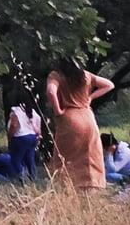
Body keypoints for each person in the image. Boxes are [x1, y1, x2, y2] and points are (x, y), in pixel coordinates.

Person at [46, 58, 115, 190]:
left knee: (65, 158)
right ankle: (93, 187)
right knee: (91, 156)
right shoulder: (86, 75)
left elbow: (51, 91)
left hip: (69, 120)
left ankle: (67, 187)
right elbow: (109, 85)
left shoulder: (56, 76)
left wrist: (58, 111)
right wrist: (91, 97)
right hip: (88, 118)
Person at [7, 87, 43, 182]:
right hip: (32, 137)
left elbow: (14, 125)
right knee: (30, 159)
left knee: (16, 160)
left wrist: (10, 137)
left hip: (20, 137)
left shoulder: (16, 111)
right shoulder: (31, 111)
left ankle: (23, 178)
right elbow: (38, 123)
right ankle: (33, 178)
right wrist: (38, 137)